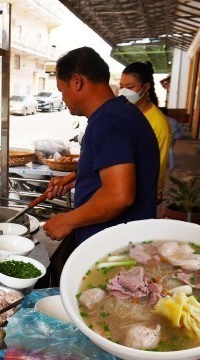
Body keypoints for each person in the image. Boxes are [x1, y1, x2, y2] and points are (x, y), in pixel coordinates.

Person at [42, 47, 159, 244]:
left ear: (77, 82)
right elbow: (117, 172)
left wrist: (67, 221)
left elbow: (118, 195)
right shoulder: (122, 111)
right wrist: (82, 179)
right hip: (125, 241)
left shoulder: (109, 121)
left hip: (116, 248)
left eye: (62, 90)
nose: (62, 97)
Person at [120, 61, 172, 198]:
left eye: (130, 87)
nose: (124, 92)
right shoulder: (124, 112)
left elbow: (157, 168)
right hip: (120, 187)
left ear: (146, 87)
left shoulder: (159, 123)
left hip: (142, 194)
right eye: (121, 87)